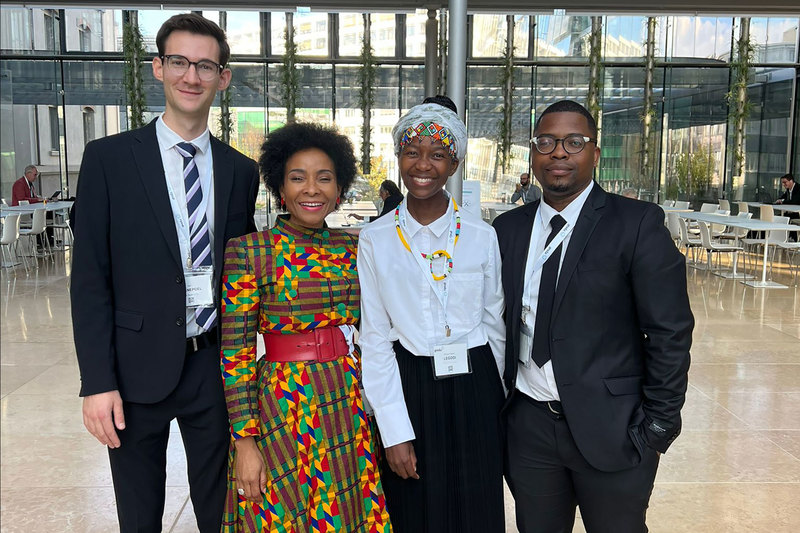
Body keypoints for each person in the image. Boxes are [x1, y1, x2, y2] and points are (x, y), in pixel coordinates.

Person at [71, 14, 259, 532]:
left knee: (222, 516)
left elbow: (240, 278)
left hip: (212, 369)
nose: (190, 76)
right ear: (158, 68)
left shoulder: (241, 171)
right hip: (132, 375)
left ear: (223, 77)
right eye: (179, 62)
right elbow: (89, 280)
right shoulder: (108, 160)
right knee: (139, 518)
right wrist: (97, 382)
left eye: (205, 65)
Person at [493, 99, 693, 533]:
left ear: (595, 153)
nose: (559, 152)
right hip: (529, 429)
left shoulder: (637, 223)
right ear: (533, 153)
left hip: (615, 429)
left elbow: (670, 331)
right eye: (546, 142)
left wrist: (657, 425)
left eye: (574, 142)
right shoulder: (507, 230)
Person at [219, 121, 391, 532]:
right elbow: (235, 355)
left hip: (347, 405)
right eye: (298, 178)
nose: (311, 189)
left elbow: (375, 335)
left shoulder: (355, 249)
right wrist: (245, 441)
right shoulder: (251, 251)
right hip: (283, 408)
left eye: (324, 178)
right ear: (280, 186)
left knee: (347, 511)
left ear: (339, 190)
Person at [358, 95, 506, 533]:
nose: (423, 164)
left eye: (438, 154)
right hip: (409, 386)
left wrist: (495, 406)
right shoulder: (375, 239)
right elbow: (375, 337)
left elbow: (494, 323)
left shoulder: (481, 236)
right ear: (399, 157)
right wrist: (392, 428)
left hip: (474, 383)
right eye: (412, 152)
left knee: (475, 509)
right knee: (414, 507)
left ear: (455, 163)